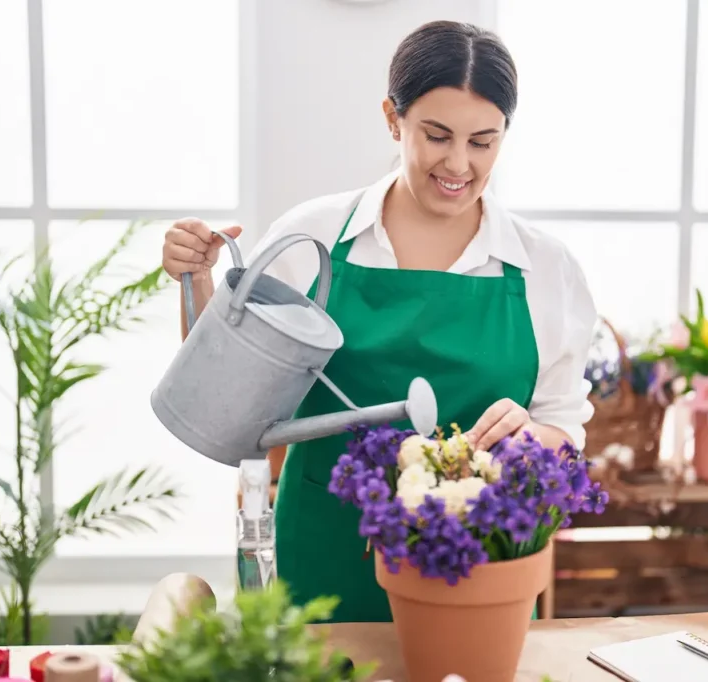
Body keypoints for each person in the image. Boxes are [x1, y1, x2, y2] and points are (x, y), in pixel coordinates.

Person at [160, 19, 597, 623]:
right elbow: (226, 394)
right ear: (393, 118)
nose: (459, 163)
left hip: (473, 569)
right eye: (437, 135)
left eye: (482, 141)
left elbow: (563, 430)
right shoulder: (310, 237)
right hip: (320, 557)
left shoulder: (546, 268)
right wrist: (199, 279)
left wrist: (527, 439)